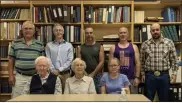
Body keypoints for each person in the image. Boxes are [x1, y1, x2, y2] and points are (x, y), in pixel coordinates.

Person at [140, 23, 179, 101]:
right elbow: (142, 61)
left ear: (160, 30)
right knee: (148, 99)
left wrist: (174, 74)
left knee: (164, 99)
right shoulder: (145, 44)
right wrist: (143, 74)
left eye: (157, 30)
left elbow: (174, 60)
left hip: (164, 76)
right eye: (153, 30)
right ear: (150, 32)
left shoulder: (169, 42)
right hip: (150, 76)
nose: (155, 32)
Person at [8, 21, 45, 98]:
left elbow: (43, 61)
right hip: (20, 77)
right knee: (17, 99)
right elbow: (11, 60)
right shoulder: (15, 43)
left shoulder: (40, 44)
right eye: (26, 29)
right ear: (22, 31)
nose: (28, 30)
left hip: (36, 77)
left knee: (34, 99)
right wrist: (11, 75)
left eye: (30, 29)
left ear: (34, 31)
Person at [109, 27, 140, 94]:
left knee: (133, 99)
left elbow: (137, 63)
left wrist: (137, 77)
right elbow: (110, 65)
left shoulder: (134, 47)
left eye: (124, 32)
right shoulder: (113, 48)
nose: (123, 34)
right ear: (118, 34)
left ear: (128, 34)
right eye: (121, 33)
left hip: (131, 78)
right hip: (117, 79)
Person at [45, 23, 74, 92]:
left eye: (60, 30)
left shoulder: (69, 45)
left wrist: (59, 70)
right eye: (56, 30)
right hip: (52, 74)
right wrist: (53, 70)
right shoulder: (48, 45)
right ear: (54, 32)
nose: (58, 32)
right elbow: (48, 59)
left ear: (63, 32)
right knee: (53, 94)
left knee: (66, 95)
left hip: (65, 74)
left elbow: (70, 60)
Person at [77, 27, 104, 94]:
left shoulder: (100, 47)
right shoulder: (80, 48)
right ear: (84, 35)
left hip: (98, 76)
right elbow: (78, 62)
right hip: (83, 75)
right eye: (87, 33)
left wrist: (93, 74)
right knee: (86, 96)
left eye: (90, 33)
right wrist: (85, 73)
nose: (89, 34)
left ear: (93, 34)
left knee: (99, 96)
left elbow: (102, 61)